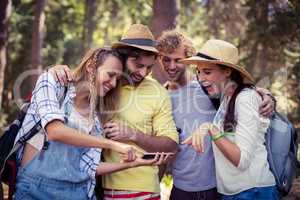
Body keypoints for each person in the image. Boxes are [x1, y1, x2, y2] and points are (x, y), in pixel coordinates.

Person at [13, 47, 164, 200]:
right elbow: (55, 131)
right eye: (110, 75)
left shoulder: (97, 116)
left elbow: (88, 168)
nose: (112, 84)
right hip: (34, 190)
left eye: (117, 80)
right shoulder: (52, 82)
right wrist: (113, 145)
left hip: (77, 192)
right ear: (91, 66)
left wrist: (131, 164)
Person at [49, 24, 179, 200]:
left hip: (140, 189)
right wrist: (56, 71)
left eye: (149, 67)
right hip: (93, 186)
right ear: (121, 58)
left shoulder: (158, 93)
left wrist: (133, 135)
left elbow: (171, 147)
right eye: (138, 65)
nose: (143, 73)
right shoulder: (101, 86)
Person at [156, 30, 275, 200]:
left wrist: (267, 96)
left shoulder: (211, 89)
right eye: (166, 60)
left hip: (221, 187)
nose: (172, 66)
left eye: (178, 60)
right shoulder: (162, 96)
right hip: (185, 188)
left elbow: (244, 94)